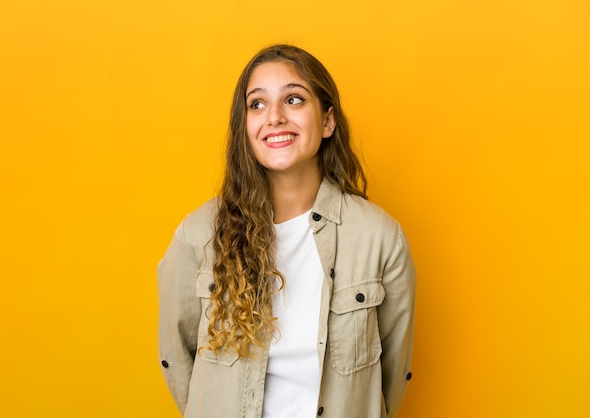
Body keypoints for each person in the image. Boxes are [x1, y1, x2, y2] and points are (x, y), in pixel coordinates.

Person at [158, 44, 416, 418]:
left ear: (327, 121)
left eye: (293, 100)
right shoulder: (199, 236)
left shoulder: (379, 238)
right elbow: (176, 359)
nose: (274, 117)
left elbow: (391, 375)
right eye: (257, 105)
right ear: (244, 127)